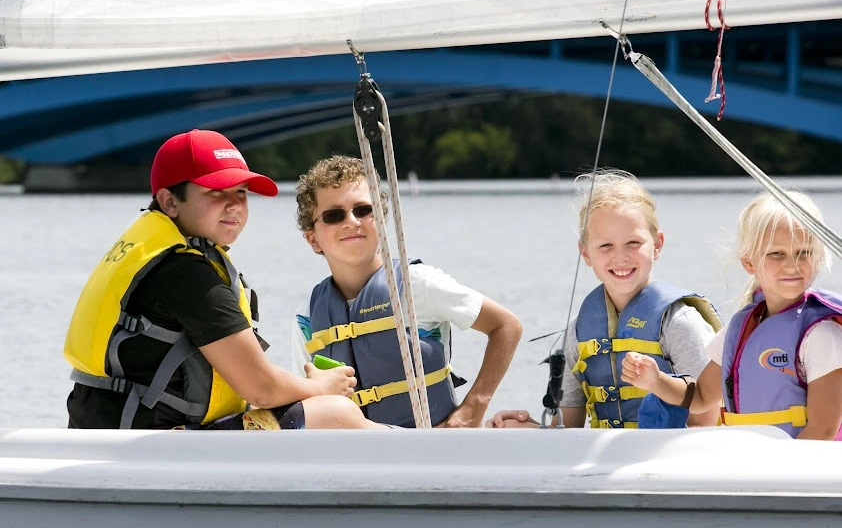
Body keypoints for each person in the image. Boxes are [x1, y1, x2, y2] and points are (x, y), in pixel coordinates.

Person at [65, 129, 379, 430]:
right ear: (170, 201)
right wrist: (318, 386)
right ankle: (409, 449)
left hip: (114, 431)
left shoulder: (152, 250)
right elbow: (262, 389)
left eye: (240, 192)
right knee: (335, 413)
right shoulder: (184, 272)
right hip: (153, 445)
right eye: (216, 192)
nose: (234, 204)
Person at [292, 155, 522, 428]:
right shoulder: (307, 317)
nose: (352, 221)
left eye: (364, 210)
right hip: (357, 458)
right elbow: (309, 402)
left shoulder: (417, 285)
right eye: (334, 215)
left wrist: (473, 407)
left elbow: (506, 326)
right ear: (313, 239)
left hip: (429, 446)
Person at [487, 169, 721, 429]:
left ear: (657, 245)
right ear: (585, 253)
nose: (620, 257)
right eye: (605, 246)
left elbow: (707, 424)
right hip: (606, 463)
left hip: (670, 460)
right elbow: (569, 427)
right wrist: (526, 428)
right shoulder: (579, 331)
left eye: (633, 242)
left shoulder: (680, 324)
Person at [622, 191, 842, 440]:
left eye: (804, 252)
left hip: (797, 472)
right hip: (751, 465)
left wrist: (776, 475)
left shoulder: (822, 334)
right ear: (749, 262)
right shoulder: (740, 329)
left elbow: (823, 430)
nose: (792, 264)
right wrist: (656, 381)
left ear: (819, 256)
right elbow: (702, 397)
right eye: (776, 253)